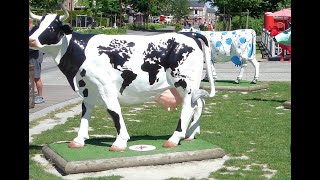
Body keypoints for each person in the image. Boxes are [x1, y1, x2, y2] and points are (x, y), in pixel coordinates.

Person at [29, 18, 45, 104]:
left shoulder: (34, 30)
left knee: (36, 77)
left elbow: (35, 46)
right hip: (31, 56)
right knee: (31, 77)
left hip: (35, 56)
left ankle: (40, 97)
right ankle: (32, 95)